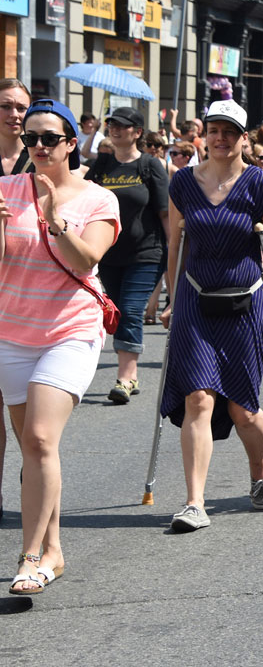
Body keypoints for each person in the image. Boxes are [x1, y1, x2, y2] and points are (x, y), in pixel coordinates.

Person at [158, 99, 263, 532]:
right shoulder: (182, 183)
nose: (220, 138)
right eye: (214, 130)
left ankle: (259, 467)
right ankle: (194, 502)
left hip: (247, 303)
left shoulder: (261, 185)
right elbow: (175, 246)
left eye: (230, 131)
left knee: (242, 411)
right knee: (198, 398)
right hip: (196, 302)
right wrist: (169, 298)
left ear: (244, 138)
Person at [2, 99, 120, 592]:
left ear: (72, 143)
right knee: (32, 450)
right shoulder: (6, 189)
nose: (40, 147)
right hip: (11, 330)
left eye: (51, 138)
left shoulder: (98, 199)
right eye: (32, 138)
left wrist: (54, 218)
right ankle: (53, 549)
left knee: (40, 439)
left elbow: (87, 256)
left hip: (70, 330)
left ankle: (30, 558)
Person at [85, 106, 170, 405]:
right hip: (108, 255)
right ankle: (128, 373)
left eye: (122, 125)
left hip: (146, 252)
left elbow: (164, 213)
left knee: (133, 310)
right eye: (112, 124)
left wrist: (175, 257)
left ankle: (126, 376)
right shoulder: (103, 166)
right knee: (118, 311)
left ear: (137, 132)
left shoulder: (150, 166)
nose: (115, 129)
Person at [0, 79, 32, 523]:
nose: (14, 114)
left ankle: (35, 481)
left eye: (21, 106)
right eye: (6, 106)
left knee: (25, 413)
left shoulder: (40, 152)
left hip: (28, 287)